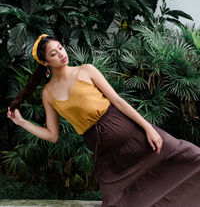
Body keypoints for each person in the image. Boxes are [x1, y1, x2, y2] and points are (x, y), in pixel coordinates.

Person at [7, 34, 200, 207]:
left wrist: (148, 128)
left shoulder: (86, 70)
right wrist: (22, 122)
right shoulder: (47, 94)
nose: (61, 53)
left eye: (60, 48)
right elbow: (52, 135)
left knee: (188, 157)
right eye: (53, 53)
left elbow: (117, 101)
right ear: (44, 62)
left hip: (132, 134)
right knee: (119, 200)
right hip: (105, 153)